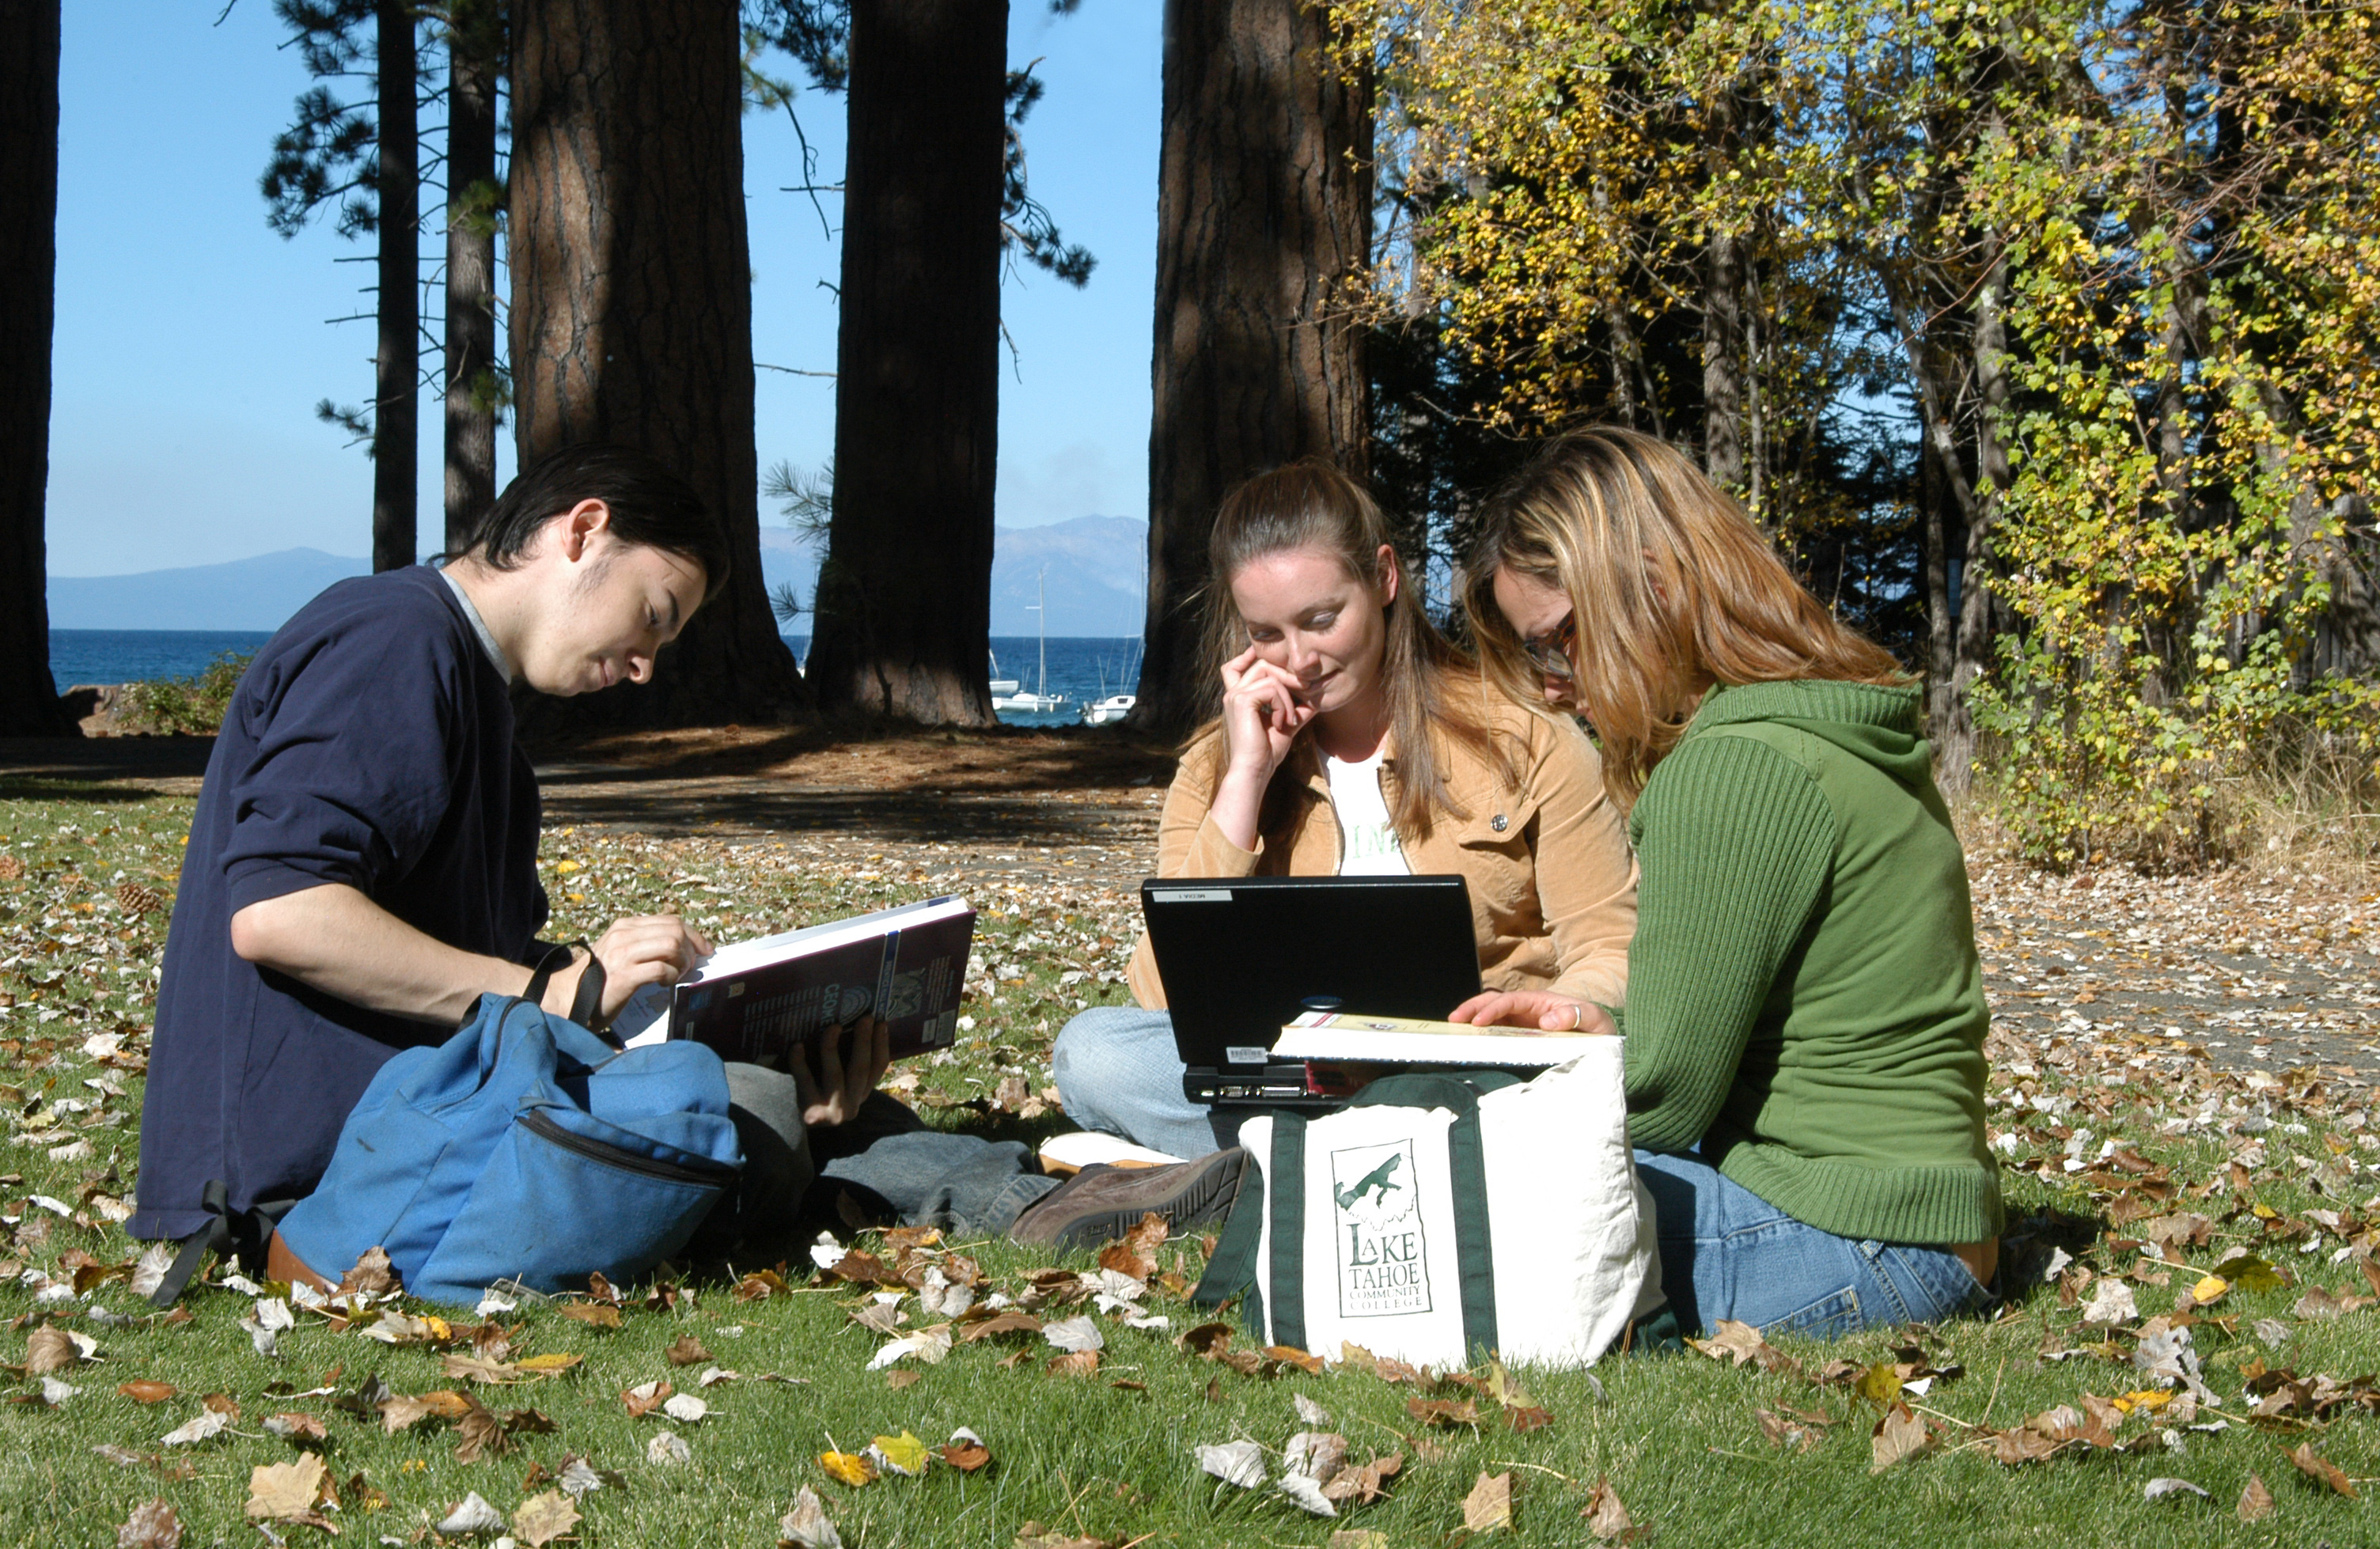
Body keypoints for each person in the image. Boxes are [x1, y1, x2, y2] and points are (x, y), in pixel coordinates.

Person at [130, 443, 1222, 1269]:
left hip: (424, 1126)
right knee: (720, 1102)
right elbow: (281, 914)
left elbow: (464, 975)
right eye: (654, 613)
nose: (649, 663)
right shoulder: (391, 639)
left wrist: (616, 1004)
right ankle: (1053, 1201)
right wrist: (549, 988)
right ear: (582, 529)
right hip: (330, 1185)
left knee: (756, 1091)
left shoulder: (474, 704)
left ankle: (1046, 1195)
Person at [1465, 426, 1999, 1338]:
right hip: (1930, 1219)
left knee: (1443, 1187)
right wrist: (1595, 1021)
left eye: (1558, 642)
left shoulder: (1733, 768)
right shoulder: (1823, 720)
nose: (1551, 686)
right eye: (1536, 658)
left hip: (1851, 1234)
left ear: (1654, 582)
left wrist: (1465, 1092)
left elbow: (1665, 1096)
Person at [1053, 460, 1639, 1161]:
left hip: (1479, 1074)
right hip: (1298, 1080)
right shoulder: (1218, 764)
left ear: (1384, 579)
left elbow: (1608, 944)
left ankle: (1288, 1170)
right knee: (1092, 1052)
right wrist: (1247, 777)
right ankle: (1369, 1160)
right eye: (1266, 634)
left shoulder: (1524, 737)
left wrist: (1551, 1017)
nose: (1299, 659)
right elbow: (1162, 1000)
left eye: (1322, 619)